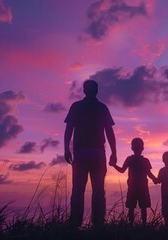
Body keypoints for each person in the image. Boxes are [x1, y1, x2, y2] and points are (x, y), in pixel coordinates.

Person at [64, 80, 117, 228]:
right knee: (99, 190)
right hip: (98, 153)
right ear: (97, 91)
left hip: (81, 153)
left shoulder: (76, 106)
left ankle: (75, 222)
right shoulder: (101, 107)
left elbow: (69, 129)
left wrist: (66, 148)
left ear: (84, 90)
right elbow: (109, 131)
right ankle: (98, 223)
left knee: (78, 190)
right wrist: (114, 152)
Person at [111, 138, 156, 225]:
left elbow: (122, 170)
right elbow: (149, 174)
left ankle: (130, 225)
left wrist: (114, 165)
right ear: (143, 148)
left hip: (132, 187)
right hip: (143, 188)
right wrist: (156, 179)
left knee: (131, 207)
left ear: (132, 148)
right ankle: (144, 225)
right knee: (143, 208)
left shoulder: (129, 159)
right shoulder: (145, 161)